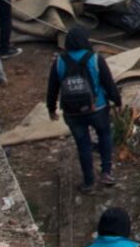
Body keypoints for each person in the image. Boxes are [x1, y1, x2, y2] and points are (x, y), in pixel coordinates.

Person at [47, 26, 122, 194]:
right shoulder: (95, 59)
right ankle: (106, 172)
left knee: (83, 145)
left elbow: (52, 88)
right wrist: (117, 101)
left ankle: (89, 182)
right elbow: (108, 83)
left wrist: (51, 108)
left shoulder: (59, 62)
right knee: (104, 135)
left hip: (72, 112)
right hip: (98, 108)